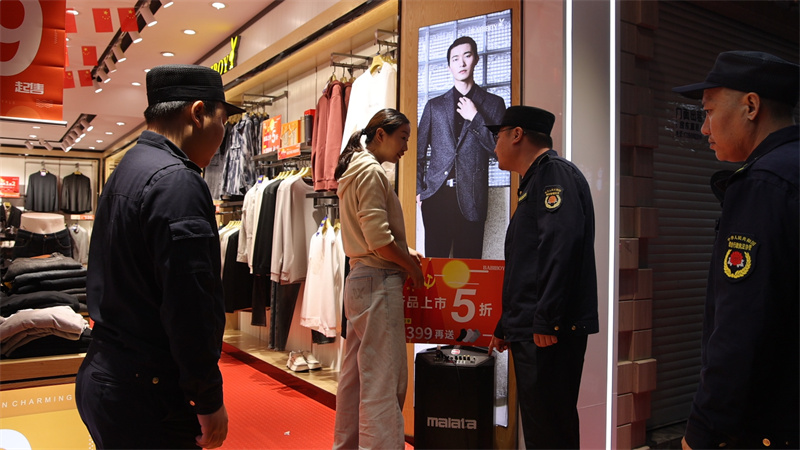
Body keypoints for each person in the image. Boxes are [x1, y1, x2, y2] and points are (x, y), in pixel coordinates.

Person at [76, 64, 245, 449]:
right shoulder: (176, 181)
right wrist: (207, 398)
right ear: (198, 113)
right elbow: (190, 304)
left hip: (110, 373)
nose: (223, 135)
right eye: (223, 120)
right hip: (147, 393)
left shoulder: (129, 168)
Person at [672, 51, 799, 450]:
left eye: (709, 111)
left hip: (770, 424)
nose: (704, 127)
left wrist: (705, 429)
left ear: (751, 106)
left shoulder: (762, 184)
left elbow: (742, 323)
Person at [486, 106, 599, 449]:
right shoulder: (535, 179)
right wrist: (507, 325)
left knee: (550, 430)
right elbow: (528, 264)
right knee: (541, 427)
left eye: (498, 136)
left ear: (517, 135)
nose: (494, 146)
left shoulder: (553, 174)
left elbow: (560, 248)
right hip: (533, 327)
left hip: (549, 331)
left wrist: (547, 319)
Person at [332, 108, 424, 449]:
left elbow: (372, 236)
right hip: (378, 281)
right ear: (381, 135)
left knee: (356, 379)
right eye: (403, 138)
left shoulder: (355, 169)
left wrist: (403, 251)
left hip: (360, 278)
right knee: (384, 382)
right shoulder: (371, 171)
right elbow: (379, 240)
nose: (405, 148)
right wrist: (410, 266)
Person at [417, 35, 506, 259]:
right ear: (449, 66)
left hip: (472, 200)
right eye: (455, 59)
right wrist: (420, 191)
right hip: (436, 198)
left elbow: (500, 151)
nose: (461, 63)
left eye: (467, 56)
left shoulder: (494, 104)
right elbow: (418, 154)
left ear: (475, 59)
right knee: (435, 269)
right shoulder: (434, 106)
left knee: (469, 270)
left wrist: (475, 117)